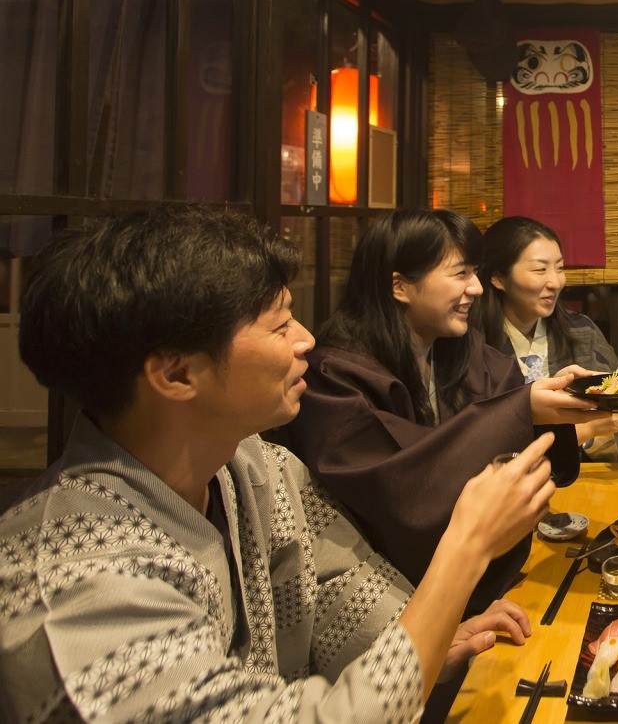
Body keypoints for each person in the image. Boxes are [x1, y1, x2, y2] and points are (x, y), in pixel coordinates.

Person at [3, 205, 554, 721]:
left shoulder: (257, 466)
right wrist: (466, 546)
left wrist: (434, 635)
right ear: (175, 375)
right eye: (279, 324)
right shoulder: (78, 585)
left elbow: (342, 589)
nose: (307, 340)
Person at [282, 209, 597, 612]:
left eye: (476, 273)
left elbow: (511, 411)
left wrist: (543, 408)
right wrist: (522, 409)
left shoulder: (465, 353)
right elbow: (399, 488)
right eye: (460, 274)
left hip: (487, 588)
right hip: (388, 606)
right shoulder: (335, 377)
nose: (478, 289)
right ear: (400, 285)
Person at [473, 215, 618, 458]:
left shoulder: (582, 332)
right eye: (540, 269)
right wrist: (587, 428)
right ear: (498, 278)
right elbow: (477, 435)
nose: (555, 282)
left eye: (560, 268)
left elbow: (616, 424)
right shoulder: (473, 343)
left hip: (584, 477)